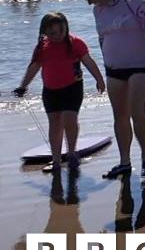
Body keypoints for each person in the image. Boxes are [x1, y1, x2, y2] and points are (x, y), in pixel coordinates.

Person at [76, 0, 145, 179]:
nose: (89, 2)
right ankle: (124, 162)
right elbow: (102, 37)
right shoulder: (99, 10)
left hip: (140, 66)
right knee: (119, 116)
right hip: (114, 68)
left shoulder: (134, 1)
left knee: (136, 112)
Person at [13, 13, 106, 173]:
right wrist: (23, 86)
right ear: (45, 32)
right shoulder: (42, 47)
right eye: (52, 34)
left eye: (60, 32)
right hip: (50, 90)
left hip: (73, 87)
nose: (57, 36)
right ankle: (55, 160)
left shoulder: (76, 43)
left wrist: (99, 79)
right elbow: (34, 68)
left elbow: (88, 61)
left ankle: (71, 153)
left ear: (66, 29)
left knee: (69, 119)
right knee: (55, 124)